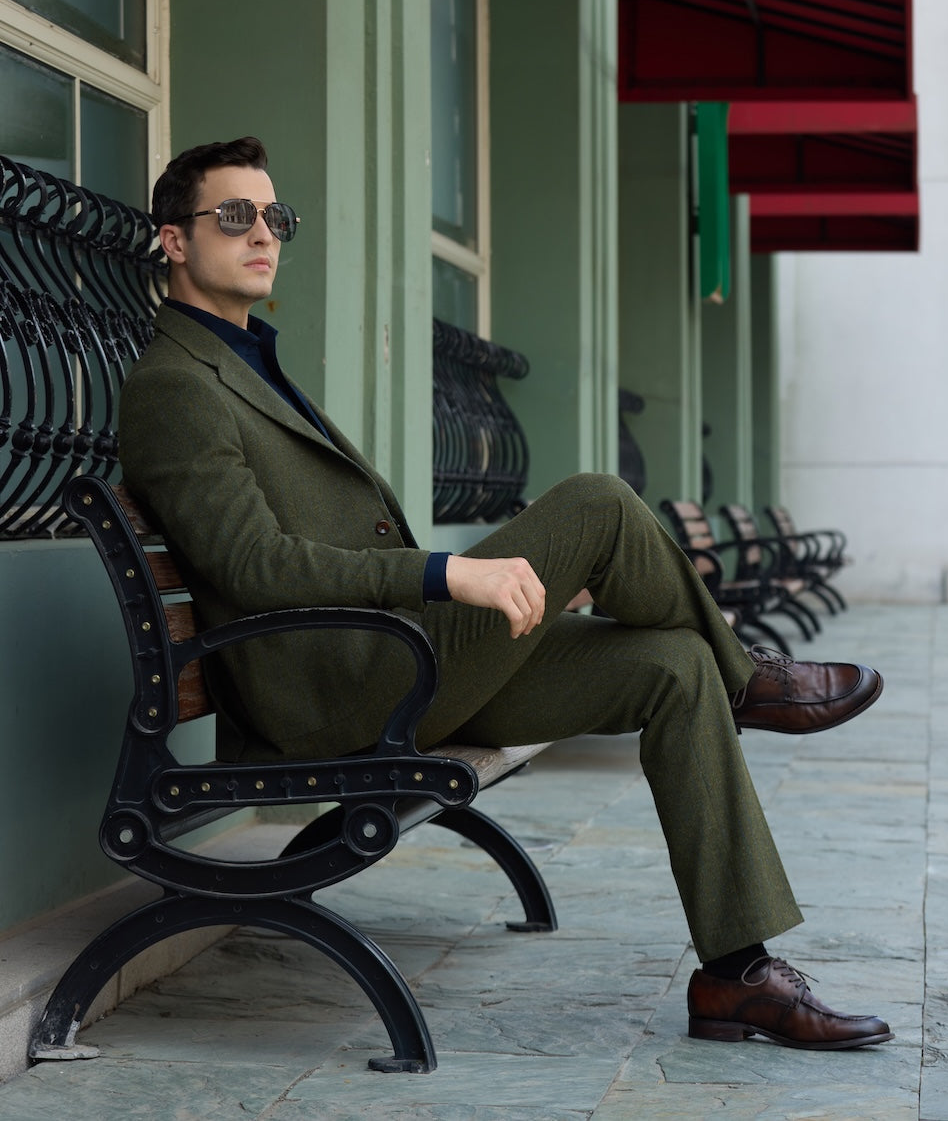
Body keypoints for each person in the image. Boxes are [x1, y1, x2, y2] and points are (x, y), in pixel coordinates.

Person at [119, 137, 893, 1052]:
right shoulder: (177, 384)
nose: (264, 233)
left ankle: (737, 977)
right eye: (234, 216)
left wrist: (509, 596)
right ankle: (754, 681)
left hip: (392, 656)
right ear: (173, 240)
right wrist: (451, 575)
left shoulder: (248, 361)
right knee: (597, 503)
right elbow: (257, 567)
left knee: (674, 666)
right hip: (340, 682)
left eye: (275, 217)